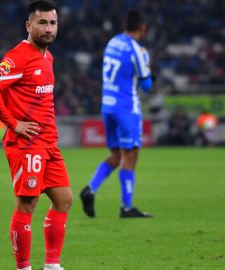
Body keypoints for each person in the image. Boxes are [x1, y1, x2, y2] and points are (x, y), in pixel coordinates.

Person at [0, 1, 72, 269]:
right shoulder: (19, 56)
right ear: (28, 25)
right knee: (28, 203)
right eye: (42, 23)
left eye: (53, 23)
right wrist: (12, 123)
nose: (48, 28)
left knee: (64, 199)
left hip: (48, 143)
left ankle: (52, 265)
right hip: (26, 144)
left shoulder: (47, 57)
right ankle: (23, 267)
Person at [80, 10, 153, 218]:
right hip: (126, 108)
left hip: (107, 106)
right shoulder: (138, 51)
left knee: (117, 154)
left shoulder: (112, 43)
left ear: (124, 25)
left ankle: (90, 189)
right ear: (143, 28)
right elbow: (146, 85)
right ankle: (126, 207)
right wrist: (148, 68)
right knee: (131, 155)